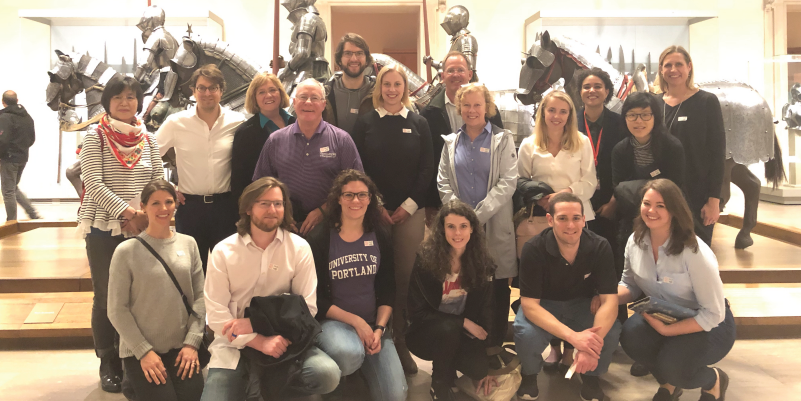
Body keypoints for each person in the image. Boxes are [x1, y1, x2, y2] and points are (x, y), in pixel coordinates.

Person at [201, 177, 340, 400]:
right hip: (235, 344)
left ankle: (275, 388)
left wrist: (254, 323)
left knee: (327, 374)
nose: (272, 210)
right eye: (264, 203)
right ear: (248, 208)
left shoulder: (299, 248)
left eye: (278, 203)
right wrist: (259, 341)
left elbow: (308, 309)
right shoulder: (223, 251)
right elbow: (217, 317)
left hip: (284, 342)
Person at [78, 75, 164, 393]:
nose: (125, 102)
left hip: (142, 226)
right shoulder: (95, 137)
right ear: (107, 102)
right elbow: (93, 183)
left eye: (130, 96)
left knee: (137, 296)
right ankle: (108, 360)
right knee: (106, 297)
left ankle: (132, 356)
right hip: (104, 226)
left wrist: (146, 215)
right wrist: (128, 214)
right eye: (118, 97)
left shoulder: (149, 139)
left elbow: (158, 179)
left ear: (139, 101)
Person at [614, 179, 735, 401]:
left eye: (660, 205)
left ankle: (713, 380)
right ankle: (668, 384)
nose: (651, 211)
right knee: (631, 337)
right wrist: (605, 297)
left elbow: (713, 314)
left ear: (674, 210)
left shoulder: (694, 252)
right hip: (664, 316)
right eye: (646, 203)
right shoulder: (635, 241)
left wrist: (667, 331)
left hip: (708, 324)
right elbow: (629, 284)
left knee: (674, 365)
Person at [351, 64, 435, 374]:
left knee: (404, 278)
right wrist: (377, 206)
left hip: (409, 214)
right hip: (370, 212)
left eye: (397, 84)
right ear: (379, 88)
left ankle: (399, 341)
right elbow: (357, 168)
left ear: (405, 88)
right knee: (369, 274)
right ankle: (365, 341)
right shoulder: (365, 123)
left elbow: (427, 168)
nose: (391, 89)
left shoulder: (419, 123)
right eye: (386, 84)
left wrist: (409, 206)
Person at [306, 170, 407, 401]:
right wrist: (357, 322)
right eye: (349, 195)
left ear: (370, 199)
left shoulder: (380, 234)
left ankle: (360, 371)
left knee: (395, 396)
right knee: (348, 353)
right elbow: (316, 299)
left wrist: (379, 329)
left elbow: (388, 288)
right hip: (333, 325)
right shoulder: (320, 238)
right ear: (338, 198)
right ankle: (342, 375)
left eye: (362, 195)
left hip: (373, 327)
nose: (356, 201)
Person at [517, 90, 598, 372]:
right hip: (543, 220)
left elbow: (590, 182)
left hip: (577, 218)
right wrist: (542, 199)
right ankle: (553, 345)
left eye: (563, 111)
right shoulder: (529, 144)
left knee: (575, 283)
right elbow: (521, 181)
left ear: (570, 115)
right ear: (542, 113)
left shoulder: (581, 142)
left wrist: (562, 197)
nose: (557, 116)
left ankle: (571, 347)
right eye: (551, 110)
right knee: (549, 285)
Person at [513, 192, 621, 401]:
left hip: (583, 305)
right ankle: (529, 375)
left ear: (583, 219)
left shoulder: (600, 246)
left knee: (611, 330)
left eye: (576, 218)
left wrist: (590, 346)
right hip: (544, 305)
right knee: (525, 333)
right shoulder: (533, 248)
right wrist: (574, 338)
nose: (570, 225)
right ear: (550, 219)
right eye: (562, 218)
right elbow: (530, 305)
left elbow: (610, 300)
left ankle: (591, 377)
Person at [612, 90, 687, 378]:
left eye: (645, 114)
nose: (639, 120)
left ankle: (668, 343)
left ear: (655, 117)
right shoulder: (620, 149)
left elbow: (674, 189)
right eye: (632, 115)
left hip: (667, 226)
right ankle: (642, 349)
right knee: (638, 282)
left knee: (664, 287)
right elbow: (619, 188)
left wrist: (640, 191)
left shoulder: (671, 146)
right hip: (632, 224)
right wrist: (651, 190)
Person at [108, 179, 205, 401]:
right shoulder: (126, 251)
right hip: (141, 351)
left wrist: (192, 343)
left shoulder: (189, 244)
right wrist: (143, 351)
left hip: (182, 349)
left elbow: (200, 297)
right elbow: (116, 309)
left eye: (169, 202)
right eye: (155, 203)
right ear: (143, 207)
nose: (163, 208)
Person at [437, 83, 518, 347]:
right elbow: (443, 182)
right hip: (460, 230)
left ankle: (493, 346)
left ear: (487, 107)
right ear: (459, 107)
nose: (471, 110)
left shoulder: (503, 140)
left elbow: (508, 182)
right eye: (466, 105)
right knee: (465, 286)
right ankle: (467, 348)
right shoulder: (450, 143)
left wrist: (476, 217)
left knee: (495, 289)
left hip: (493, 224)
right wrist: (461, 220)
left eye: (477, 105)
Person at [156, 64, 246, 271]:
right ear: (193, 91)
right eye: (202, 88)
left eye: (213, 88)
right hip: (191, 208)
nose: (207, 93)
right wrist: (166, 187)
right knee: (191, 270)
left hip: (226, 208)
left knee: (228, 269)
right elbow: (148, 155)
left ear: (221, 91)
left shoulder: (237, 121)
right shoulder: (176, 122)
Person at [406, 200, 497, 401]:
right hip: (427, 333)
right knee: (448, 329)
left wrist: (489, 361)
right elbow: (417, 313)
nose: (457, 233)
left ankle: (449, 365)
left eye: (463, 226)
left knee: (479, 369)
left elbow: (487, 310)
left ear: (472, 228)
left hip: (462, 333)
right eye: (451, 227)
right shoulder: (426, 260)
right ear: (442, 229)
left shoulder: (483, 263)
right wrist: (462, 322)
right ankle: (439, 381)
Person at [253, 78, 363, 236]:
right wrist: (279, 212)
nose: (308, 102)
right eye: (303, 97)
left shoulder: (342, 140)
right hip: (285, 226)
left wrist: (323, 211)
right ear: (294, 102)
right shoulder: (275, 140)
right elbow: (260, 184)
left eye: (315, 98)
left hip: (330, 226)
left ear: (323, 104)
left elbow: (356, 186)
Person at [420, 51, 504, 224]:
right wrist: (430, 202)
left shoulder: (490, 112)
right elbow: (427, 161)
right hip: (443, 201)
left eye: (460, 70)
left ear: (470, 74)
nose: (456, 74)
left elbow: (500, 154)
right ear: (443, 76)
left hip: (486, 201)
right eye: (450, 70)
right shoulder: (429, 114)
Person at [656, 46, 725, 246]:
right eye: (668, 65)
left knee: (696, 253)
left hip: (697, 194)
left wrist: (714, 200)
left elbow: (717, 152)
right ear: (661, 69)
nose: (673, 69)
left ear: (689, 67)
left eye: (678, 64)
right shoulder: (654, 103)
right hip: (661, 193)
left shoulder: (707, 101)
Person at [575, 68, 625, 264]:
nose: (592, 91)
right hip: (578, 197)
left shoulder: (621, 123)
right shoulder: (570, 123)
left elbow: (627, 164)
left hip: (612, 198)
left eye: (598, 86)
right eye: (586, 86)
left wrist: (614, 201)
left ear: (607, 91)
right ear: (580, 91)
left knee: (611, 253)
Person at [230, 72, 295, 202]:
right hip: (263, 203)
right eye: (261, 92)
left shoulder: (296, 124)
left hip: (297, 201)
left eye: (272, 90)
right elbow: (239, 178)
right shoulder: (245, 132)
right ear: (254, 98)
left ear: (280, 93)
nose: (268, 95)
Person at [323, 33, 376, 135]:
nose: (354, 59)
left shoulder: (378, 93)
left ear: (366, 59)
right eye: (348, 53)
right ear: (339, 59)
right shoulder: (326, 93)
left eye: (359, 53)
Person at [0, 90, 40, 221]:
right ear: (17, 101)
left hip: (9, 159)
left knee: (8, 191)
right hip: (23, 158)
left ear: (3, 102)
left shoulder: (5, 118)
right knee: (13, 188)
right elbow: (32, 139)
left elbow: (3, 141)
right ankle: (32, 213)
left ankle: (11, 222)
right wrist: (21, 149)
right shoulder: (27, 117)